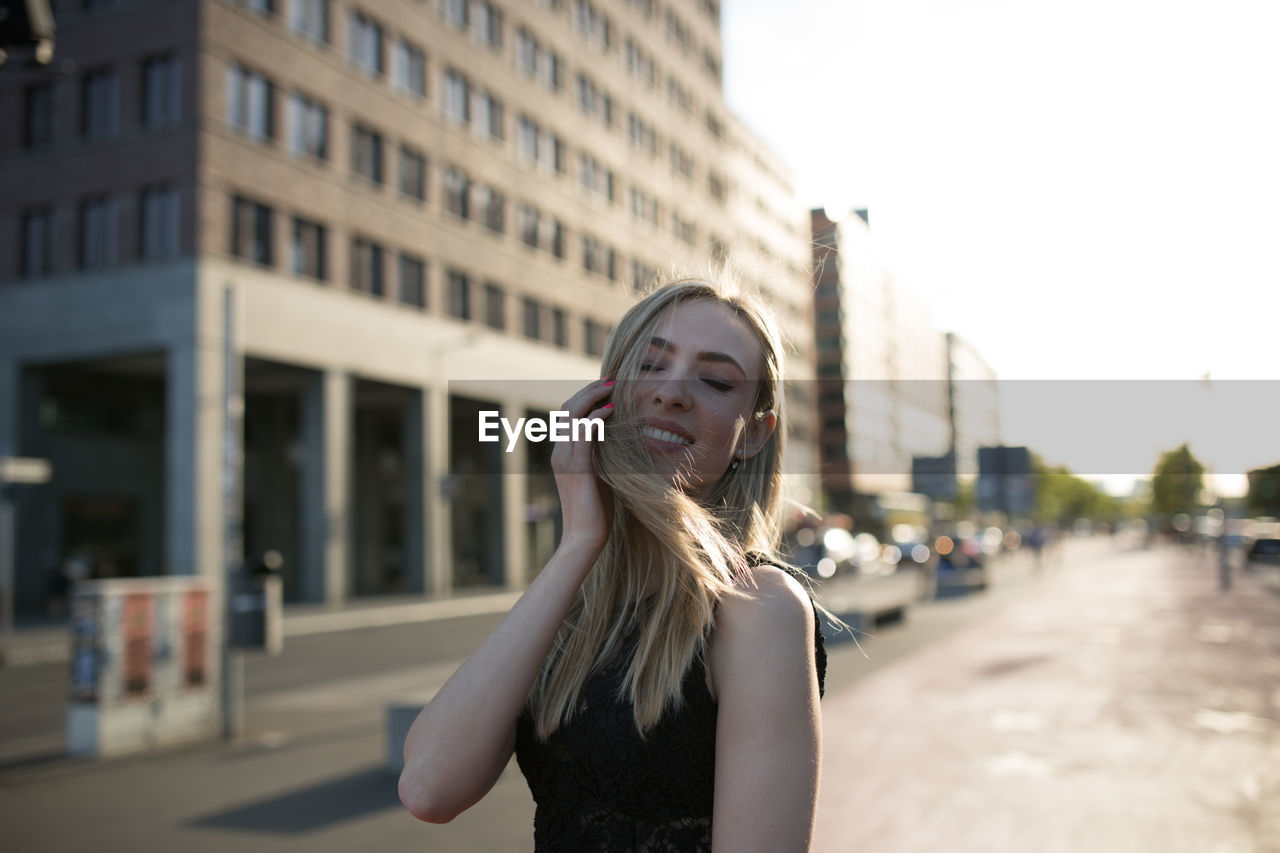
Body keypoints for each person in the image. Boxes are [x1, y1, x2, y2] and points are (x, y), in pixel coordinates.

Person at [399, 277, 827, 851]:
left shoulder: (758, 607)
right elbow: (429, 789)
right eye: (649, 366)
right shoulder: (574, 597)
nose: (672, 392)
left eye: (716, 380)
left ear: (752, 435)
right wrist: (578, 545)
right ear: (605, 395)